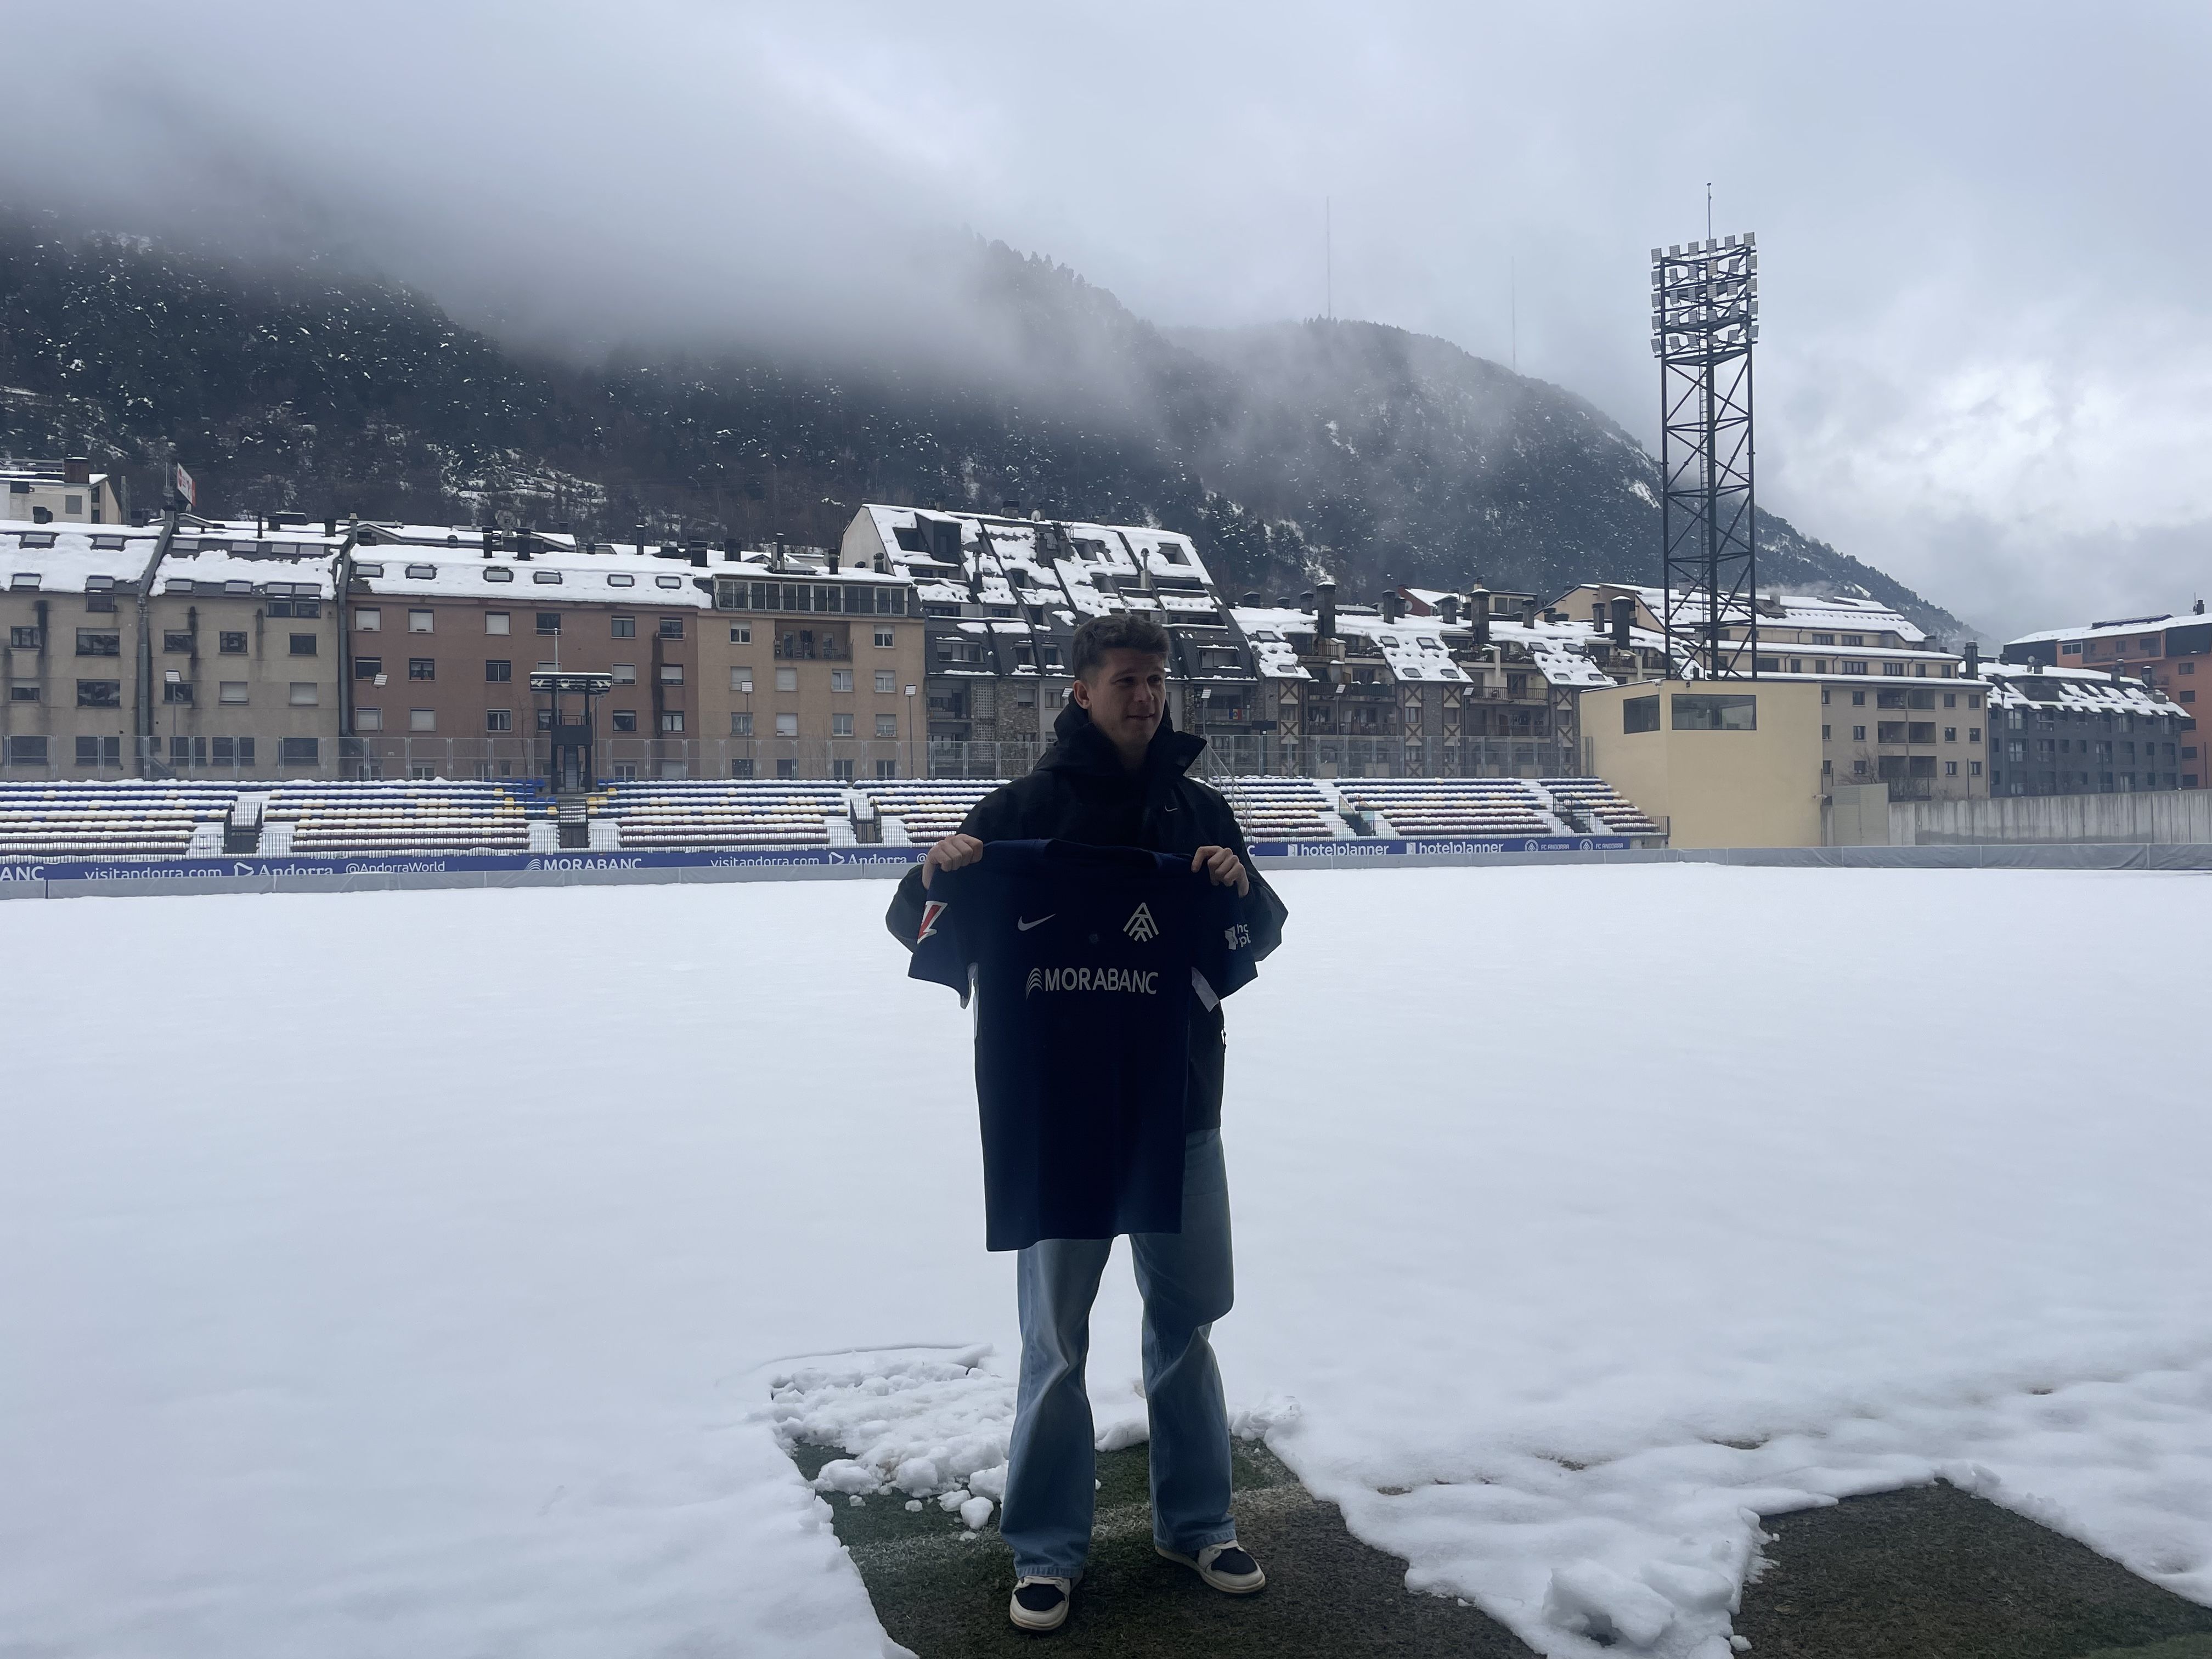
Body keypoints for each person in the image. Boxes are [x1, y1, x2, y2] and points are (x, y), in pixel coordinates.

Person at [885, 612, 1288, 1634]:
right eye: (1124, 680)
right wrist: (941, 869)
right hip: (1058, 1113)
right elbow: (915, 916)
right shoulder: (1021, 809)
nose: (1145, 697)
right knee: (1055, 1341)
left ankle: (1197, 1522)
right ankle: (1047, 1550)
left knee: (1186, 1325)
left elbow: (1260, 929)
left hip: (1183, 1107)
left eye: (1156, 680)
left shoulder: (1200, 809)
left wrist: (1240, 885)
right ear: (1080, 691)